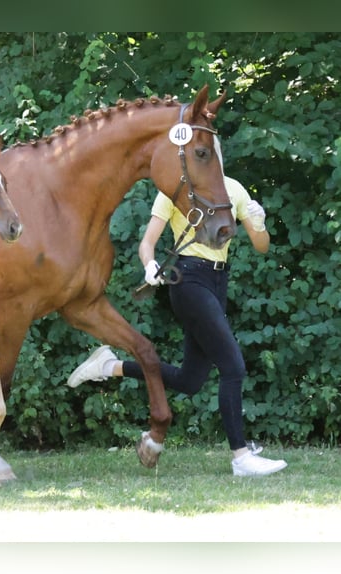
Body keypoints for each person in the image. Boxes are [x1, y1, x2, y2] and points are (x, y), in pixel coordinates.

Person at [67, 136, 287, 477]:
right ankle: (241, 458)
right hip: (188, 280)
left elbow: (261, 246)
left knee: (190, 380)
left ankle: (110, 366)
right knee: (233, 367)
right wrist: (149, 264)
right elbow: (147, 243)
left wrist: (258, 223)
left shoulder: (234, 190)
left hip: (217, 282)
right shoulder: (175, 189)